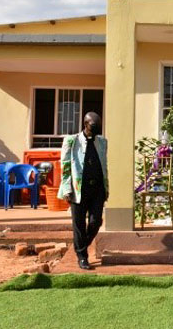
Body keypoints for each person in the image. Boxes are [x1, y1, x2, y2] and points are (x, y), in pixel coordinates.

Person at [58, 112, 109, 270]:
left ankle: (81, 246)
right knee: (79, 224)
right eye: (93, 127)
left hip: (98, 188)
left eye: (98, 127)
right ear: (85, 124)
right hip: (78, 188)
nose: (96, 130)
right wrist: (67, 188)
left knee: (95, 222)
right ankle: (82, 256)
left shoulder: (102, 141)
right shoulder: (72, 141)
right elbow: (65, 166)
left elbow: (104, 164)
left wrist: (106, 187)